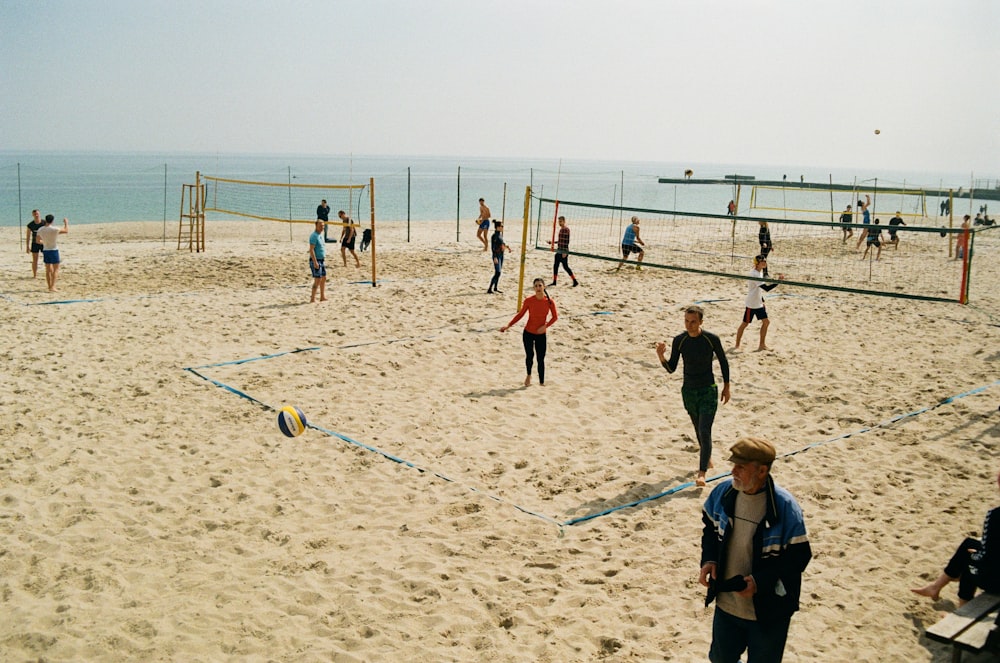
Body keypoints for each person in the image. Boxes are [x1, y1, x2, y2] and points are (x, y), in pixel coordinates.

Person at [699, 438, 812, 663]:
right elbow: (710, 528)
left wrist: (760, 581)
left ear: (761, 470)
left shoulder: (785, 507)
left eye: (741, 467)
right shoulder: (723, 493)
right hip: (727, 604)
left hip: (768, 611)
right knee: (720, 659)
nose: (733, 471)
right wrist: (709, 559)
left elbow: (799, 557)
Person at [656, 305, 731, 487]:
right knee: (698, 429)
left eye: (693, 322)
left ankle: (702, 473)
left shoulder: (711, 339)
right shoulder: (680, 340)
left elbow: (723, 361)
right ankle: (707, 458)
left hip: (708, 389)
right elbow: (672, 368)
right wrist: (661, 356)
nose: (689, 325)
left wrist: (726, 387)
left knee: (705, 430)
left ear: (701, 322)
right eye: (687, 321)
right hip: (689, 391)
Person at [912, 468, 1000, 606]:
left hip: (996, 582)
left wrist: (975, 556)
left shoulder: (995, 515)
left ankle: (961, 607)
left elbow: (987, 556)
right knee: (969, 544)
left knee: (968, 560)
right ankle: (936, 587)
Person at [500, 278, 558, 386]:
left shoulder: (549, 302)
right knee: (529, 355)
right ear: (533, 288)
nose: (538, 288)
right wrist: (508, 325)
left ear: (544, 287)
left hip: (541, 334)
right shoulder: (529, 301)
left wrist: (545, 326)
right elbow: (520, 314)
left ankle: (541, 382)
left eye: (540, 285)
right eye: (536, 286)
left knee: (541, 358)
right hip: (528, 333)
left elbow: (555, 317)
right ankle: (529, 375)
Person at [735, 256, 783, 351]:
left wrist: (761, 298)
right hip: (752, 304)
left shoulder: (759, 272)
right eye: (762, 261)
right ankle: (737, 345)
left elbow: (757, 288)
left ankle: (762, 345)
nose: (765, 262)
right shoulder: (754, 274)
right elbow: (766, 288)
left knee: (766, 322)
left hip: (758, 302)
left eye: (765, 261)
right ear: (757, 263)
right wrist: (778, 282)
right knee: (745, 324)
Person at [36, 214, 69, 292]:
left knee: (48, 270)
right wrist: (66, 223)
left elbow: (37, 241)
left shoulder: (40, 229)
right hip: (54, 250)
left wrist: (44, 242)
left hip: (46, 250)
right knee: (55, 269)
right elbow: (66, 231)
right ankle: (53, 286)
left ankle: (49, 286)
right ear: (52, 221)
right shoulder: (54, 229)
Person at [547, 216, 579, 287]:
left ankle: (575, 281)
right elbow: (560, 241)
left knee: (566, 267)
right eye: (559, 221)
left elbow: (567, 241)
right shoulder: (561, 229)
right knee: (555, 266)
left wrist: (565, 252)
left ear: (564, 221)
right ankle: (554, 282)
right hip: (559, 250)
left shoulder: (566, 229)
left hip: (564, 251)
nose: (559, 223)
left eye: (561, 221)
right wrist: (552, 242)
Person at [487, 220, 511, 294]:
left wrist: (507, 247)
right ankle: (489, 288)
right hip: (497, 255)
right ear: (497, 227)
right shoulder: (494, 236)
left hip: (501, 255)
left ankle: (495, 288)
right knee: (498, 272)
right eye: (501, 226)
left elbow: (502, 243)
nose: (503, 227)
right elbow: (493, 247)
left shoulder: (500, 235)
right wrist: (494, 257)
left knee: (498, 272)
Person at [309, 219, 327, 303]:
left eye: (323, 226)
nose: (322, 227)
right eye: (320, 226)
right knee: (317, 279)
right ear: (316, 225)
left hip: (322, 260)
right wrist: (315, 262)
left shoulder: (320, 235)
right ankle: (312, 299)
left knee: (323, 278)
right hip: (316, 260)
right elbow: (311, 250)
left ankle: (322, 296)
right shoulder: (314, 236)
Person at [25, 209, 44, 278]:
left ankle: (49, 272)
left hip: (43, 243)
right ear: (32, 215)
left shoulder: (44, 223)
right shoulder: (30, 225)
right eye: (35, 214)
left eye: (37, 214)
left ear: (39, 214)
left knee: (47, 259)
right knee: (35, 260)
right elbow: (28, 236)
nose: (36, 215)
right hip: (34, 243)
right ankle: (35, 275)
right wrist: (27, 246)